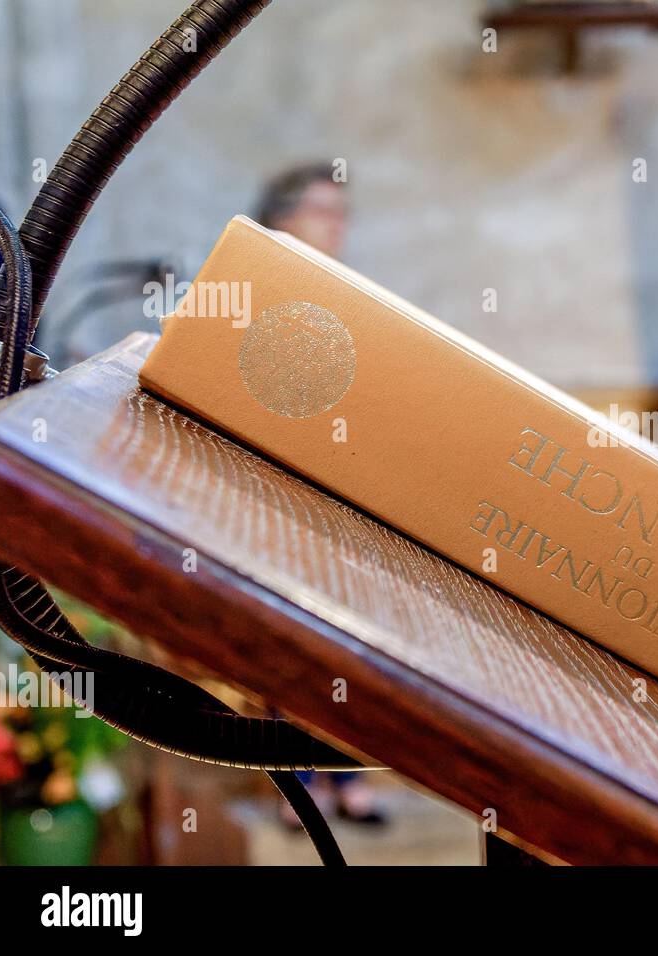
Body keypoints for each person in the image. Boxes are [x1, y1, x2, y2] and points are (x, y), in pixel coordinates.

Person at [255, 164, 386, 826]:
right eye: (321, 210)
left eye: (342, 211)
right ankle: (298, 781)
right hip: (273, 491)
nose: (336, 224)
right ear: (282, 217)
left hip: (344, 489)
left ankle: (348, 776)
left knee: (352, 644)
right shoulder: (254, 287)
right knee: (290, 642)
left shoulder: (352, 293)